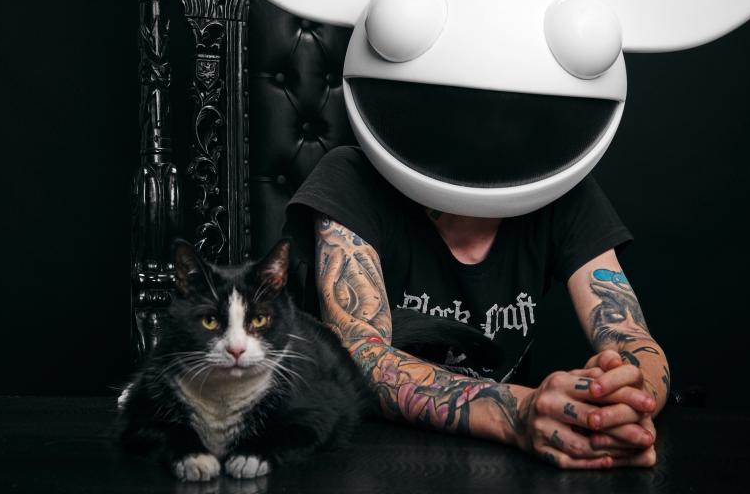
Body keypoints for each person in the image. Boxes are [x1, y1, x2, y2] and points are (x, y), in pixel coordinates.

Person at [284, 145, 670, 469]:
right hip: (373, 460)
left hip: (502, 466)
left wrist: (624, 404)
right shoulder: (351, 175)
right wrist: (517, 412)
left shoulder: (562, 188)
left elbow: (630, 337)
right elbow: (359, 355)